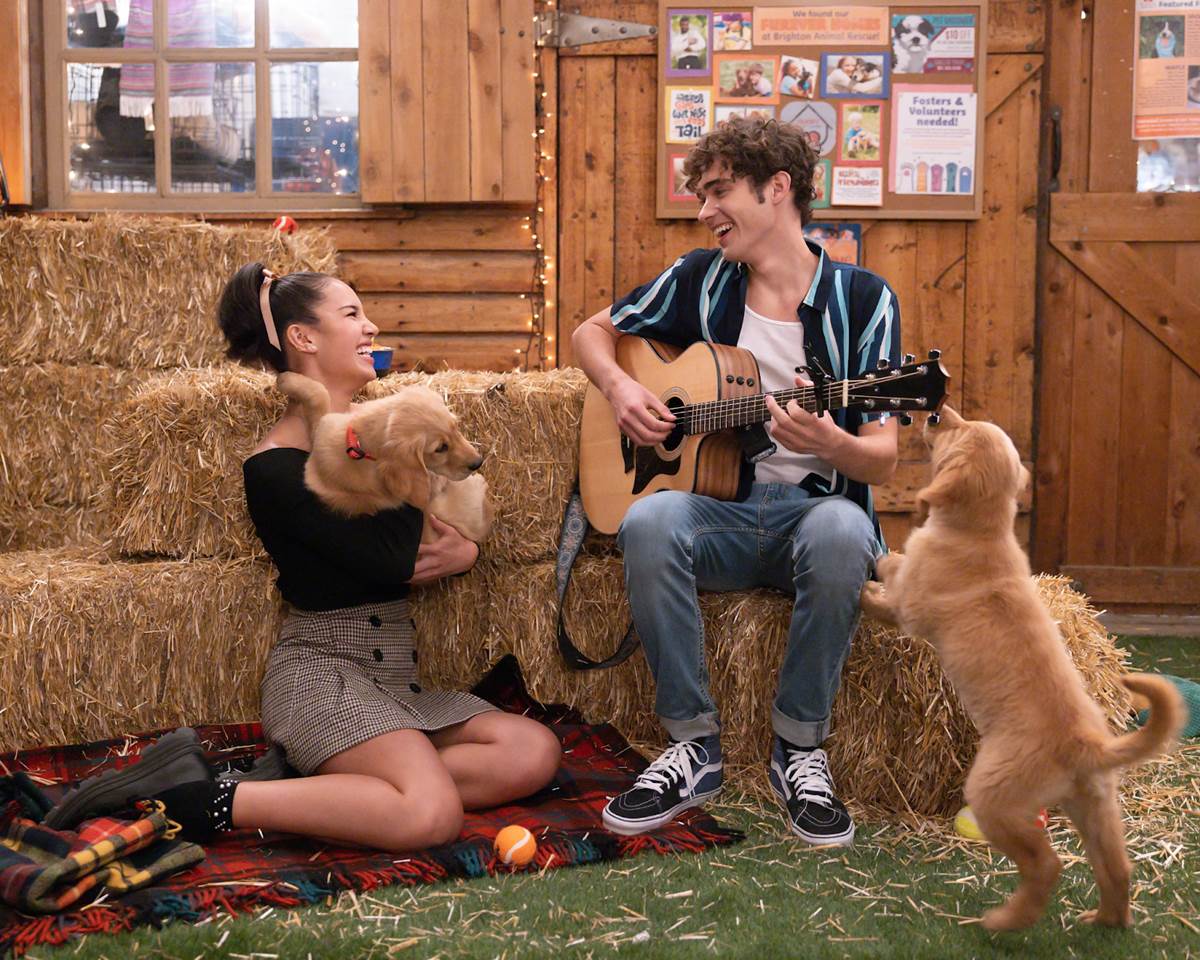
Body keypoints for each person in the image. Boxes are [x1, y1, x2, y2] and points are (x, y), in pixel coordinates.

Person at [42, 266, 561, 851]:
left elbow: (447, 530)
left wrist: (467, 550)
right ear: (303, 338)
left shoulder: (375, 437)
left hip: (392, 681)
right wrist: (402, 450)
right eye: (352, 314)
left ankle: (340, 790)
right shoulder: (277, 468)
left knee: (531, 751)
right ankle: (210, 798)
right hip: (324, 678)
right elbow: (391, 560)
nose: (371, 327)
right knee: (430, 816)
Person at [571, 117, 901, 846]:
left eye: (719, 191)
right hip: (720, 516)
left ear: (777, 188)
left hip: (811, 524)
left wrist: (832, 442)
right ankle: (692, 746)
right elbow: (590, 334)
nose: (705, 211)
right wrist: (623, 390)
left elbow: (883, 457)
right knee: (648, 521)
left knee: (845, 529)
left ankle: (799, 749)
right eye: (701, 195)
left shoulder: (863, 299)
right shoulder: (700, 277)